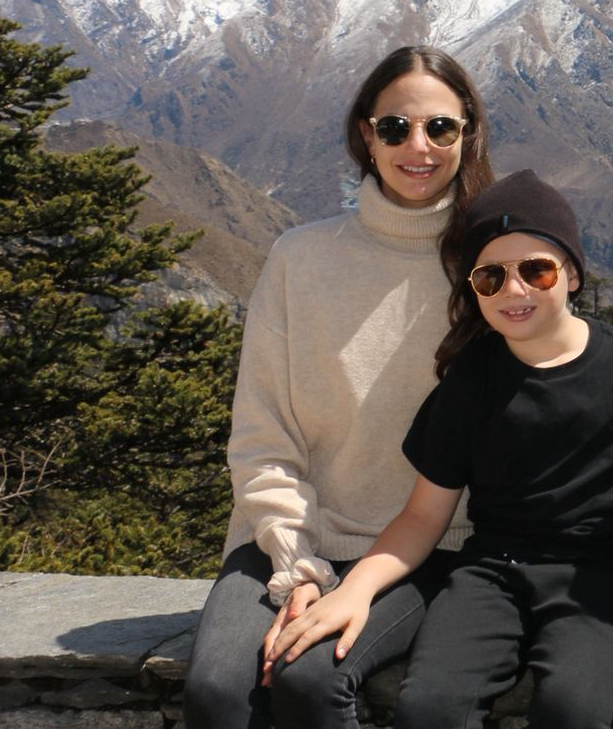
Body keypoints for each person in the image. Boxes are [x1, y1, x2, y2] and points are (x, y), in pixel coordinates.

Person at [270, 169, 613, 729]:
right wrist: (354, 591)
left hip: (612, 580)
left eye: (536, 270)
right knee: (427, 710)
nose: (514, 290)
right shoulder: (472, 378)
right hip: (492, 574)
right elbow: (425, 515)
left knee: (575, 709)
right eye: (491, 276)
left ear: (571, 273)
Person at [184, 46, 495, 729]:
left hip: (433, 545)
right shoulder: (301, 257)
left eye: (440, 128)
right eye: (395, 128)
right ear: (366, 134)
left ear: (467, 132)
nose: (419, 146)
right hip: (290, 536)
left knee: (311, 679)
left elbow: (573, 360)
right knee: (215, 693)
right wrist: (298, 567)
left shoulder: (492, 268)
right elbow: (263, 430)